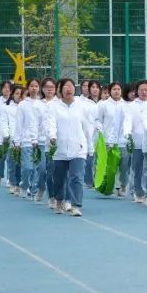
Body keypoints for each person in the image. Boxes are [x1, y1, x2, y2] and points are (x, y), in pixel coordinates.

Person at [46, 79, 93, 217]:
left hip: (78, 148)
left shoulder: (81, 106)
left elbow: (87, 128)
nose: (68, 89)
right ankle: (59, 200)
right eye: (65, 87)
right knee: (59, 179)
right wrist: (52, 137)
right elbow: (51, 124)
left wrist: (90, 147)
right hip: (59, 149)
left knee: (76, 177)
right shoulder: (54, 107)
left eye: (71, 87)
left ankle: (75, 205)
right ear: (60, 90)